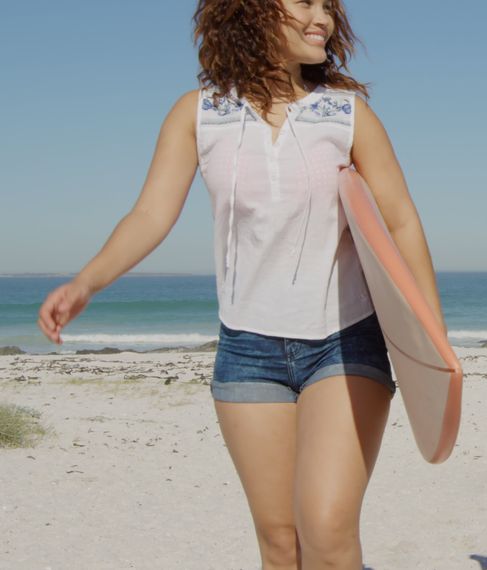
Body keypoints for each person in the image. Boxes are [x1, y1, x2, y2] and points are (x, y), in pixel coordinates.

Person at [36, 1, 445, 567]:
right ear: (251, 11)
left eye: (328, 6)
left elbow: (400, 220)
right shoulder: (200, 114)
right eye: (305, 2)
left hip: (344, 341)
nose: (321, 16)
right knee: (281, 542)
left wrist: (433, 340)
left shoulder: (346, 114)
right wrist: (86, 283)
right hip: (248, 349)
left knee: (326, 531)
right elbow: (151, 215)